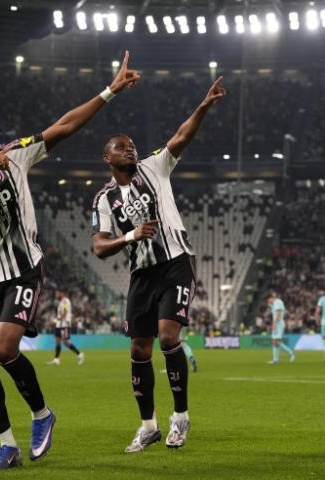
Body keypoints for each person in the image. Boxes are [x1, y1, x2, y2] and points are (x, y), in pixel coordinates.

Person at [0, 51, 139, 470]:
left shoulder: (15, 154)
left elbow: (65, 125)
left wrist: (110, 91)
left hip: (23, 270)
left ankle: (42, 415)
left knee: (4, 348)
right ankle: (7, 445)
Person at [91, 77, 226, 453]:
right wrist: (130, 237)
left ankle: (180, 417)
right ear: (108, 158)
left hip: (176, 262)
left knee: (168, 337)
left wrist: (203, 107)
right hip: (142, 274)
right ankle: (148, 425)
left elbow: (181, 136)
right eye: (121, 147)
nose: (130, 149)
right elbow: (100, 247)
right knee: (139, 349)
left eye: (132, 145)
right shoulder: (103, 199)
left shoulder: (154, 167)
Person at [47, 289, 84, 365]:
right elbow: (66, 313)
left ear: (61, 293)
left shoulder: (65, 301)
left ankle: (80, 354)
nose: (56, 295)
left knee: (66, 342)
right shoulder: (62, 302)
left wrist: (55, 320)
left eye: (57, 293)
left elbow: (65, 313)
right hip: (59, 324)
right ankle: (56, 359)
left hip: (64, 325)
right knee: (57, 341)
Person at [266, 293, 295, 364]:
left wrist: (274, 324)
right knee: (274, 342)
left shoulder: (278, 302)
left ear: (271, 298)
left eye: (268, 300)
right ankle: (275, 360)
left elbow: (278, 314)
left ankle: (291, 353)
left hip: (278, 324)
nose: (268, 302)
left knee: (276, 341)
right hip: (276, 323)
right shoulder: (273, 304)